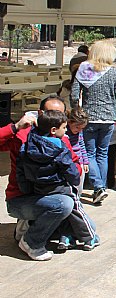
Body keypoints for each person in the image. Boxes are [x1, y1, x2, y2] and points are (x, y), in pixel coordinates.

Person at [2, 97, 79, 261]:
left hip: (49, 192)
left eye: (60, 115)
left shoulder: (61, 139)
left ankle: (36, 226)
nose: (56, 119)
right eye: (50, 113)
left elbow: (76, 165)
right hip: (21, 197)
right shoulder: (23, 134)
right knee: (63, 205)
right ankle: (31, 242)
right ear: (40, 114)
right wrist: (15, 127)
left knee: (70, 196)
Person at [16, 110, 99, 252]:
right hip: (60, 186)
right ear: (54, 130)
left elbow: (20, 169)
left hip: (38, 189)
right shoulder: (59, 147)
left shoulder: (28, 145)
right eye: (64, 127)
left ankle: (64, 236)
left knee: (64, 210)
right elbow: (70, 170)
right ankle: (90, 236)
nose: (66, 131)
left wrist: (26, 189)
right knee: (75, 208)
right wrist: (74, 180)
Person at [70, 40, 116, 205]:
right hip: (108, 118)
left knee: (90, 153)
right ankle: (101, 187)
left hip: (88, 117)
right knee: (103, 153)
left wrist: (76, 110)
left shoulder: (83, 69)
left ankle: (98, 186)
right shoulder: (115, 72)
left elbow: (73, 95)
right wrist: (114, 111)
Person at [66, 108, 89, 195]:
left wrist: (85, 161)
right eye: (77, 127)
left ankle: (77, 200)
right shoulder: (65, 131)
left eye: (82, 128)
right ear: (69, 122)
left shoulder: (79, 132)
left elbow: (82, 144)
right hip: (70, 161)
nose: (79, 130)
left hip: (80, 162)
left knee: (79, 187)